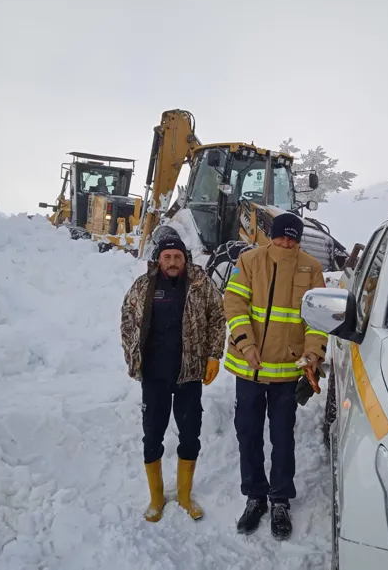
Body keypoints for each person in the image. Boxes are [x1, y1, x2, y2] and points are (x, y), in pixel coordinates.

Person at [223, 212, 329, 540]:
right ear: (272, 236)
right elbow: (235, 303)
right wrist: (246, 343)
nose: (286, 243)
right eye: (281, 237)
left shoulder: (312, 268)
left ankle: (280, 500)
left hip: (286, 372)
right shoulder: (250, 259)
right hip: (249, 369)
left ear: (299, 239)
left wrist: (313, 355)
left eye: (292, 238)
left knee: (283, 439)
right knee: (248, 435)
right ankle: (255, 497)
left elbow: (318, 319)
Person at [120, 235, 226, 522]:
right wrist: (133, 354)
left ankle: (184, 495)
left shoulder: (200, 285)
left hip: (190, 373)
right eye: (167, 257)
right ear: (159, 260)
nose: (172, 262)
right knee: (152, 433)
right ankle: (156, 498)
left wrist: (214, 355)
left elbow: (218, 316)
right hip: (154, 375)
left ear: (185, 259)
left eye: (177, 256)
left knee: (190, 434)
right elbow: (128, 318)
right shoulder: (144, 286)